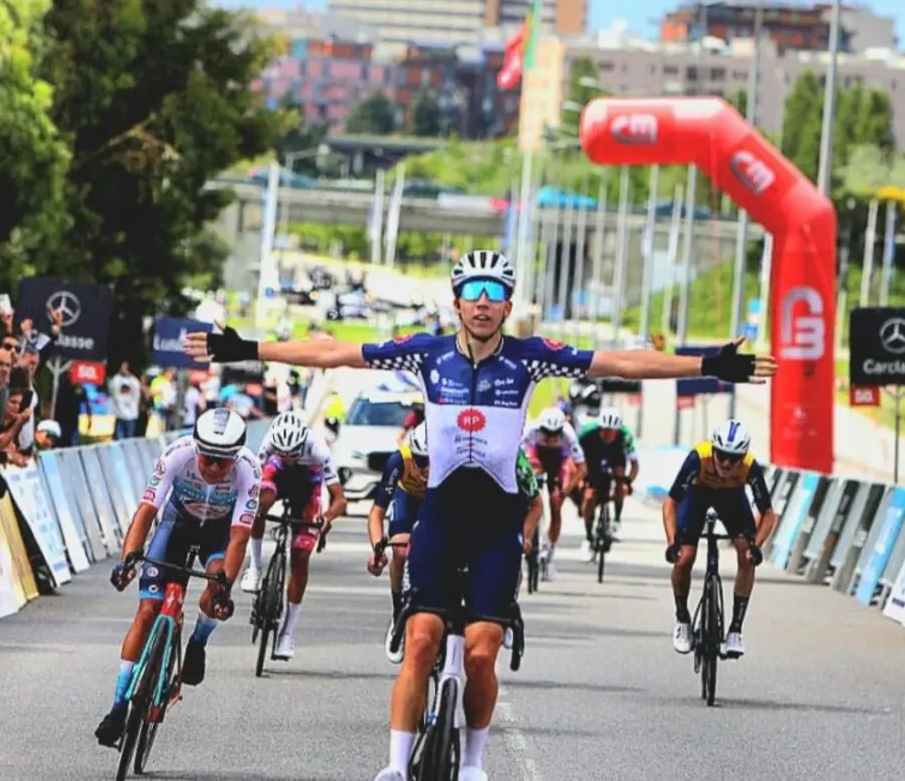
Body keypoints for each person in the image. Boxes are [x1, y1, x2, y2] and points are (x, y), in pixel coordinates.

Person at [182, 249, 774, 781]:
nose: (484, 304)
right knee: (420, 641)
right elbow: (333, 352)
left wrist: (709, 364)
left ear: (509, 305)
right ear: (457, 300)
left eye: (496, 295)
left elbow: (620, 361)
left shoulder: (530, 359)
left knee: (482, 651)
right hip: (440, 515)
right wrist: (247, 349)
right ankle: (393, 764)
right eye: (474, 293)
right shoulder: (425, 353)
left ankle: (471, 763)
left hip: (496, 523)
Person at [94, 408, 259, 747]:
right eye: (207, 459)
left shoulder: (249, 471)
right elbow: (147, 511)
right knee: (146, 611)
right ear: (196, 448)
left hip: (218, 532)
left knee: (215, 588)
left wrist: (224, 590)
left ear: (236, 457)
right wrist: (129, 560)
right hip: (177, 524)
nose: (213, 468)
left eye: (222, 462)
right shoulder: (177, 454)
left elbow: (240, 537)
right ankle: (117, 707)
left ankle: (198, 642)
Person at [662, 419, 778, 659]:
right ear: (714, 450)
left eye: (733, 458)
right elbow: (670, 503)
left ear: (743, 456)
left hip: (731, 497)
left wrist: (758, 546)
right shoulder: (698, 458)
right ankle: (682, 618)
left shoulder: (750, 466)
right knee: (684, 559)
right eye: (722, 455)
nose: (726, 463)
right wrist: (672, 542)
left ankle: (735, 629)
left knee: (746, 555)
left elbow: (768, 514)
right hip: (697, 495)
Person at [240, 411, 346, 660]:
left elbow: (340, 499)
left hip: (307, 486)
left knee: (300, 557)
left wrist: (327, 518)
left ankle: (286, 633)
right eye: (282, 453)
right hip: (277, 480)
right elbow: (251, 482)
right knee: (258, 503)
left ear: (302, 445)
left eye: (293, 454)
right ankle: (255, 567)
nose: (287, 458)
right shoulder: (269, 444)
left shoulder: (318, 449)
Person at [367, 423, 430, 663]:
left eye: (429, 461)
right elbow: (377, 512)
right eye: (420, 460)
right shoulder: (399, 460)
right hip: (407, 500)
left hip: (434, 502)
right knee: (401, 550)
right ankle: (398, 614)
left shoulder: (451, 463)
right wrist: (377, 549)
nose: (424, 467)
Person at [521, 407, 585, 580]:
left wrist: (566, 490)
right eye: (546, 433)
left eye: (555, 434)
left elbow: (582, 468)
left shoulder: (569, 435)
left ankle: (549, 558)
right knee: (530, 480)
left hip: (559, 460)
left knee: (556, 505)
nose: (550, 438)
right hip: (537, 458)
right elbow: (516, 457)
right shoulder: (530, 430)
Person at [574, 409, 639, 557]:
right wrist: (580, 481)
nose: (608, 435)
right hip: (593, 461)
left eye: (612, 432)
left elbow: (634, 463)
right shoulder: (586, 434)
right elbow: (575, 460)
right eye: (605, 431)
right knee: (589, 497)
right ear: (600, 428)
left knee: (621, 485)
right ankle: (589, 537)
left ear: (617, 431)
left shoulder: (625, 436)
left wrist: (628, 482)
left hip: (616, 459)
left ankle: (616, 521)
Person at [109, 362, 143, 440]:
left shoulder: (134, 381)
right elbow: (113, 391)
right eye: (122, 367)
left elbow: (136, 395)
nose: (123, 370)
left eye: (125, 368)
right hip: (120, 415)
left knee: (129, 439)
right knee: (118, 439)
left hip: (131, 415)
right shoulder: (116, 379)